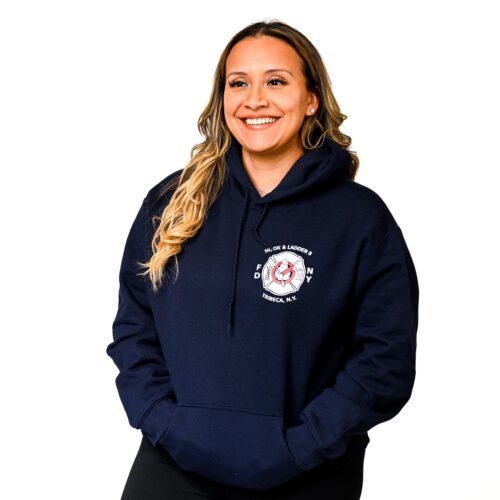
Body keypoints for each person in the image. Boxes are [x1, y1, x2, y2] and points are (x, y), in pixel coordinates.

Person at [106, 19, 419, 500]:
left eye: (276, 81)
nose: (255, 100)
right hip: (174, 464)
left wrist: (302, 445)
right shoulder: (171, 204)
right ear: (222, 98)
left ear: (311, 99)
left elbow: (385, 359)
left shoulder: (360, 219)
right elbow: (134, 330)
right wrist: (164, 423)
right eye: (238, 83)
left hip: (306, 471)